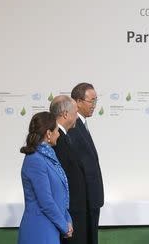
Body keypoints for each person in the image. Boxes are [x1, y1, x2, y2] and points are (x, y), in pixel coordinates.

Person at [18, 111, 73, 244]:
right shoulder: (34, 160)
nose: (59, 134)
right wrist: (64, 226)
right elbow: (46, 201)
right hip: (39, 230)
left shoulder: (49, 156)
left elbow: (61, 193)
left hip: (51, 228)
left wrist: (68, 219)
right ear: (48, 133)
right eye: (56, 130)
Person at [68, 83, 104, 244]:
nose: (94, 106)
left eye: (96, 101)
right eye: (92, 101)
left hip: (92, 199)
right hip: (83, 200)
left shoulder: (82, 125)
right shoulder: (73, 127)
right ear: (78, 101)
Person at [50, 95, 88, 244]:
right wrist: (65, 217)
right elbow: (61, 180)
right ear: (66, 114)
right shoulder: (57, 141)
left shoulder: (65, 137)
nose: (77, 117)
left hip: (74, 212)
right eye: (75, 111)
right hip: (69, 213)